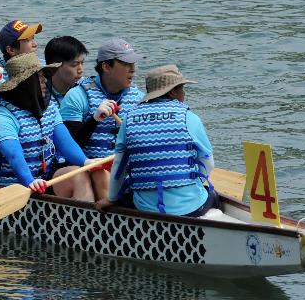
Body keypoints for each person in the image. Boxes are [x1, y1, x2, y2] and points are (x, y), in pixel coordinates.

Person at [96, 65, 217, 218]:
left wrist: (111, 199)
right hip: (189, 208)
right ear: (172, 92)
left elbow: (119, 168)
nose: (184, 94)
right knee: (213, 196)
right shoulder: (189, 117)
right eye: (182, 89)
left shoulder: (129, 119)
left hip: (144, 207)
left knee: (127, 195)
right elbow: (208, 162)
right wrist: (195, 181)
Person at [0, 52, 93, 199]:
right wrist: (30, 181)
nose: (44, 81)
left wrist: (86, 161)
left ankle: (83, 219)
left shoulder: (49, 107)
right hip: (9, 187)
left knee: (80, 174)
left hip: (43, 179)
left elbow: (64, 142)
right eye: (39, 78)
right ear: (25, 84)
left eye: (44, 77)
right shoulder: (1, 116)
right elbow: (14, 156)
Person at [59, 37, 145, 200]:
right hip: (88, 171)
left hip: (127, 172)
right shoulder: (77, 96)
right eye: (126, 64)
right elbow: (68, 145)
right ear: (106, 66)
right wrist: (94, 120)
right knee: (102, 174)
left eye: (133, 64)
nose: (133, 70)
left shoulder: (139, 99)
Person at [44, 35, 88, 106]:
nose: (81, 70)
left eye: (82, 63)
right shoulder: (40, 93)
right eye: (74, 64)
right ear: (54, 66)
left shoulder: (85, 87)